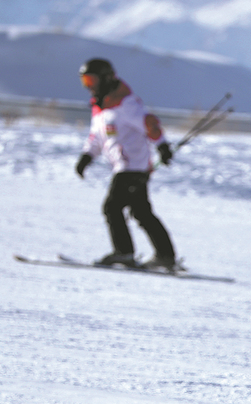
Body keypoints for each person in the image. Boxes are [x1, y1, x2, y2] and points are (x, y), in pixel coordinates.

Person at [74, 57, 178, 270]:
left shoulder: (125, 103)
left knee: (112, 207)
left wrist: (162, 145)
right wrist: (86, 157)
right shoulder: (101, 109)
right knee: (141, 212)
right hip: (124, 166)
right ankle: (165, 256)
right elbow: (96, 138)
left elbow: (149, 123)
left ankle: (124, 253)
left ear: (106, 78)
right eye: (85, 81)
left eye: (91, 81)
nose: (89, 87)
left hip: (132, 167)